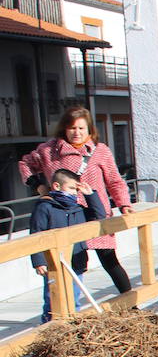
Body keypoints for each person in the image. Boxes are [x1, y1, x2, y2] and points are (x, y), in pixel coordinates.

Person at [20, 106, 132, 297]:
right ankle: (65, 312)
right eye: (72, 128)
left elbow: (114, 180)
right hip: (62, 215)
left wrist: (124, 205)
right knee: (68, 264)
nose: (77, 133)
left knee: (110, 261)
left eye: (82, 128)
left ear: (89, 129)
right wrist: (39, 187)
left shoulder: (100, 151)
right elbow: (25, 164)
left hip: (95, 213)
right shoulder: (47, 150)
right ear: (64, 128)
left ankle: (133, 304)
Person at [29, 169, 106, 322]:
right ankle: (49, 329)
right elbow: (36, 234)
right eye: (71, 188)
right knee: (52, 300)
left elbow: (99, 215)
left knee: (74, 297)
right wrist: (39, 261)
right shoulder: (45, 207)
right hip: (53, 263)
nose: (75, 193)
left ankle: (70, 330)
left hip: (76, 259)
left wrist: (90, 195)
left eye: (76, 190)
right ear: (57, 186)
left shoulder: (77, 208)